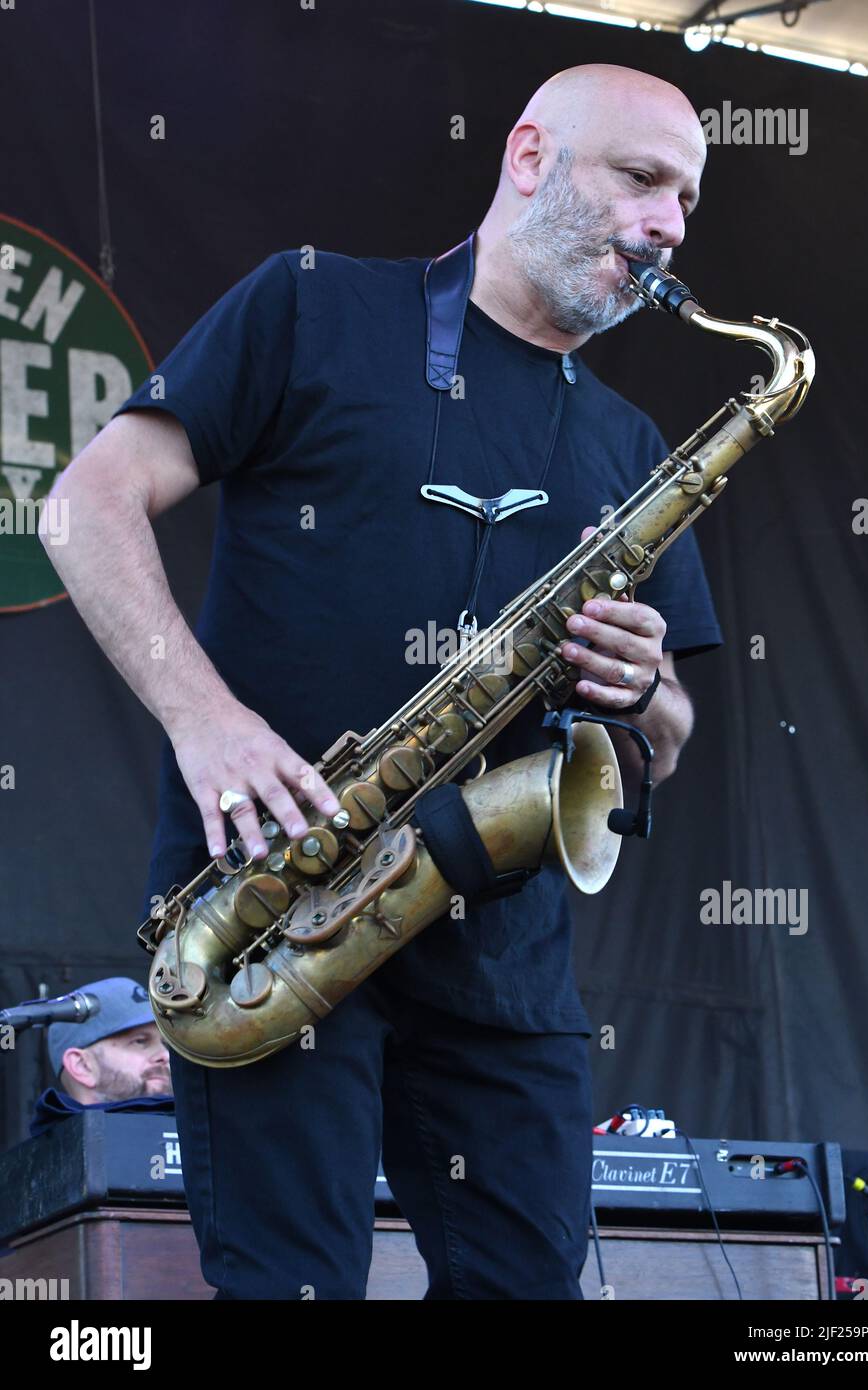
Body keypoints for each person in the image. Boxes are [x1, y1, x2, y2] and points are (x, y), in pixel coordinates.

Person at [42, 64, 721, 1298]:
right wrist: (207, 722)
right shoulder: (312, 308)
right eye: (642, 177)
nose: (669, 222)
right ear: (529, 156)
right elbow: (83, 505)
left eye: (685, 197)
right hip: (274, 909)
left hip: (504, 964)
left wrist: (647, 687)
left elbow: (667, 732)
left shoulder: (632, 446)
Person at [31, 977, 173, 1139]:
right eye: (140, 1041)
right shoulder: (47, 1159)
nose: (165, 1056)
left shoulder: (197, 1137)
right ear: (82, 1065)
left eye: (165, 1044)